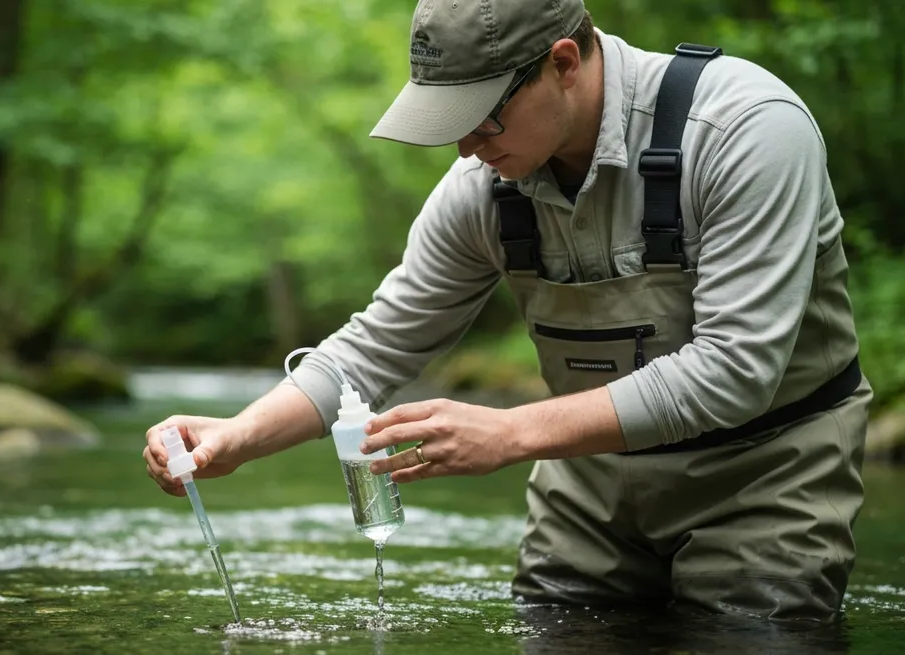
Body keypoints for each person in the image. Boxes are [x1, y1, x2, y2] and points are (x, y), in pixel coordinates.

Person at [143, 0, 870, 625]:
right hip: (591, 483)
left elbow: (735, 372)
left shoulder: (745, 129)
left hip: (766, 473)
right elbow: (373, 349)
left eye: (483, 118)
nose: (464, 146)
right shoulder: (482, 187)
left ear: (563, 63)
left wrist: (512, 431)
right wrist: (238, 435)